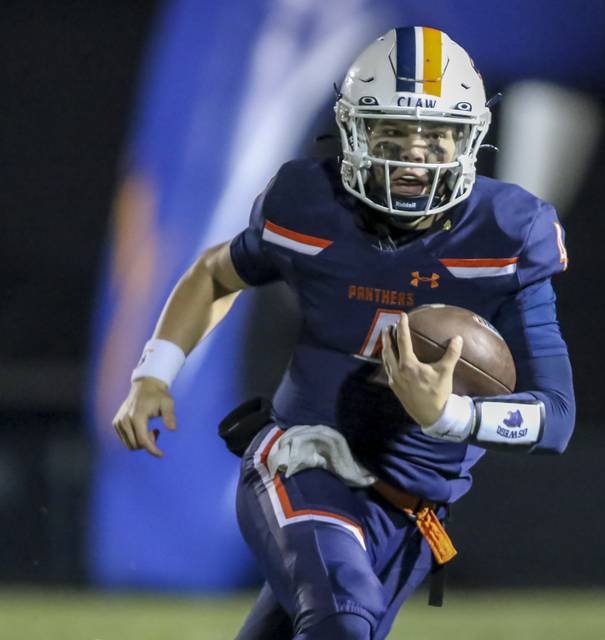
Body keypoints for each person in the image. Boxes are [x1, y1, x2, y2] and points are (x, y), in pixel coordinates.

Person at [112, 26, 575, 640]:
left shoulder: (509, 234)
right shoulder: (308, 204)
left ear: (470, 140)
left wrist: (451, 416)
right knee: (341, 617)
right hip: (303, 458)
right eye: (394, 132)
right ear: (354, 133)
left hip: (409, 515)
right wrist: (154, 371)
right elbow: (213, 274)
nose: (414, 153)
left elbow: (556, 416)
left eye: (435, 135)